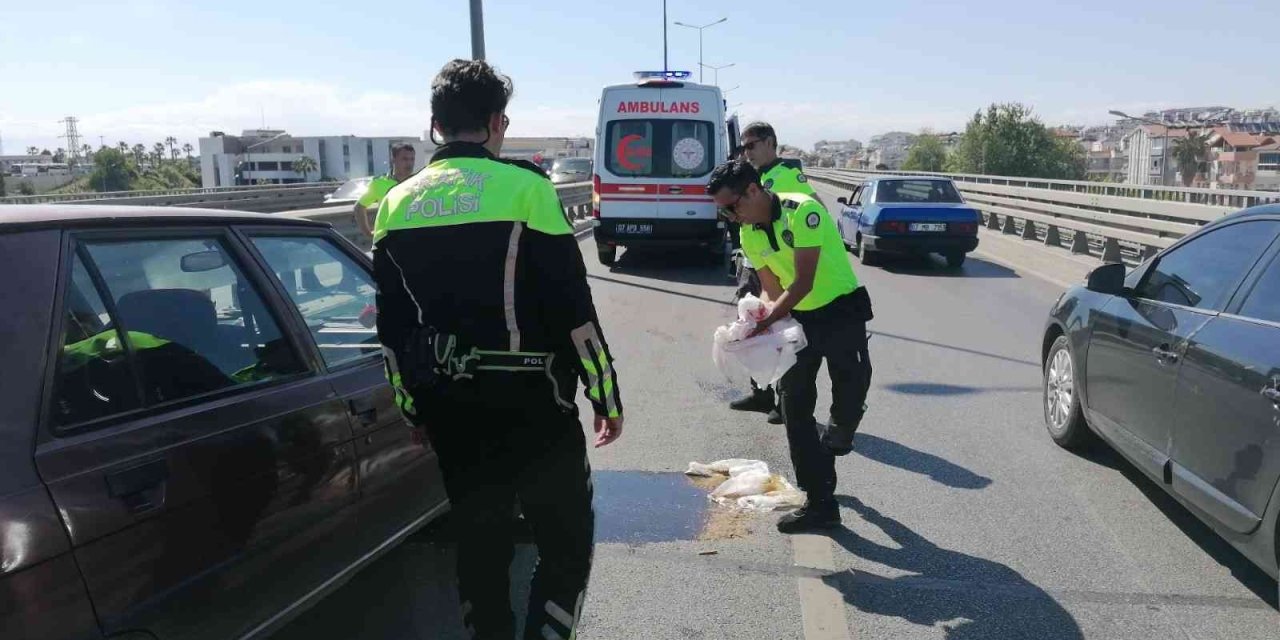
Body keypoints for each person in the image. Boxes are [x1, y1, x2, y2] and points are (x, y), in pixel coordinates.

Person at [372, 59, 624, 640]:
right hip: (535, 406)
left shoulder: (396, 204)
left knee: (480, 545)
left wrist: (412, 410)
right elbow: (574, 313)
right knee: (565, 543)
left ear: (435, 126)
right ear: (495, 122)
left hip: (451, 409)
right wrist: (605, 395)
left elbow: (393, 336)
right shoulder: (527, 189)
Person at [709, 159, 873, 533]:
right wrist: (756, 318)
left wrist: (765, 321)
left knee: (849, 394)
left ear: (753, 190)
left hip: (841, 311)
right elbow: (772, 289)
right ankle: (820, 502)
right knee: (793, 407)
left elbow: (803, 282)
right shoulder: (749, 233)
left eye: (731, 207)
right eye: (723, 212)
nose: (731, 217)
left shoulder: (803, 211)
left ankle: (841, 430)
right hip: (797, 319)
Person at [727, 122, 824, 424]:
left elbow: (816, 210)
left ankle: (785, 400)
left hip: (776, 266)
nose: (747, 152)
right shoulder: (754, 176)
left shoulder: (786, 176)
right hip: (754, 263)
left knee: (781, 332)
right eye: (742, 147)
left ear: (770, 142)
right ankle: (761, 391)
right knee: (753, 325)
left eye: (751, 146)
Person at [354, 142, 417, 244]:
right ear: (393, 159)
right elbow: (359, 207)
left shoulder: (419, 182)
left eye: (412, 159)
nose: (409, 163)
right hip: (389, 240)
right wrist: (368, 233)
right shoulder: (379, 183)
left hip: (414, 238)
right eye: (405, 159)